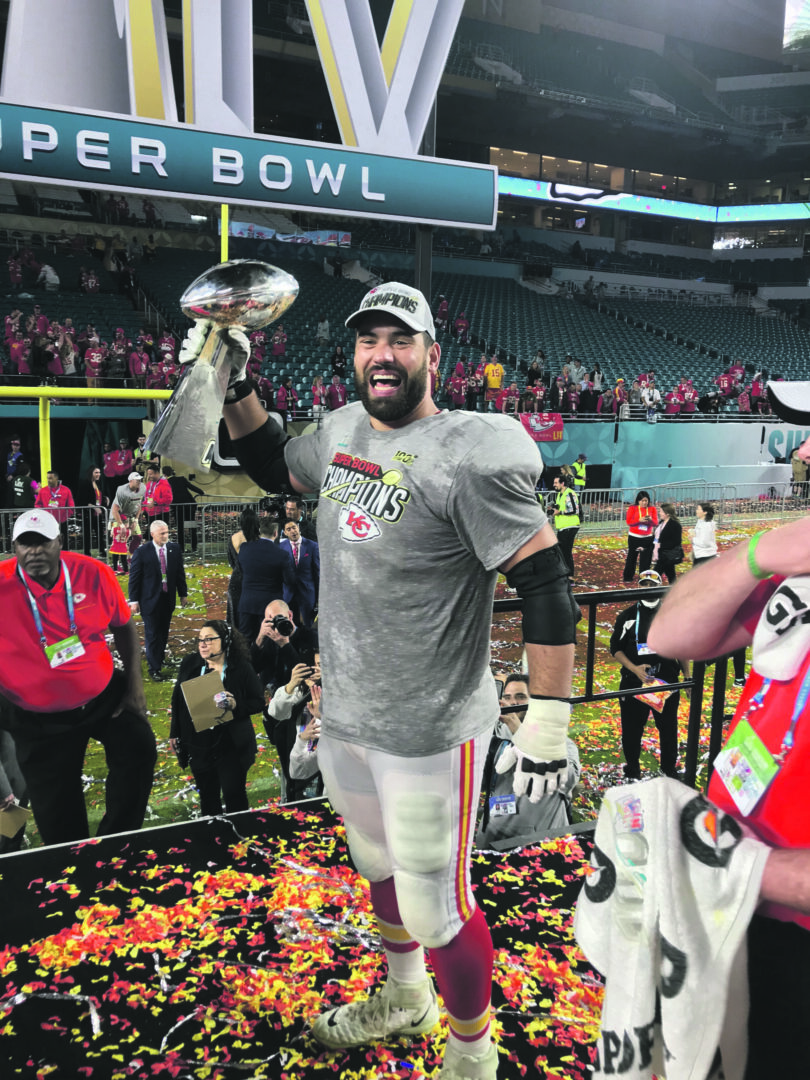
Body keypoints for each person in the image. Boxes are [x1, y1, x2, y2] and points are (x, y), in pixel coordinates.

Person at [180, 278, 578, 1080]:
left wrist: (550, 720)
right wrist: (238, 379)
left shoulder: (472, 449)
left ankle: (473, 1053)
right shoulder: (338, 432)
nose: (382, 355)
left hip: (432, 729)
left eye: (400, 340)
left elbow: (545, 584)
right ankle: (406, 996)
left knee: (439, 906)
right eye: (368, 340)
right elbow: (264, 463)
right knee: (376, 867)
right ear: (354, 354)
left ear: (434, 356)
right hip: (350, 715)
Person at [647, 433, 810, 1076]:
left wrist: (738, 865)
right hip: (736, 908)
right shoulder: (801, 567)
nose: (805, 453)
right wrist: (764, 552)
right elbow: (671, 632)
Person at [0, 508, 155, 845]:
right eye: (25, 544)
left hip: (100, 698)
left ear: (60, 542)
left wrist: (134, 684)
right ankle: (77, 865)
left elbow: (124, 624)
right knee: (58, 817)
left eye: (43, 543)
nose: (34, 552)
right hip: (36, 719)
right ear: (13, 548)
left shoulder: (93, 573)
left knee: (139, 746)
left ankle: (117, 841)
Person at [170, 620, 264, 817]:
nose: (203, 644)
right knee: (208, 796)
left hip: (231, 745)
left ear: (226, 641)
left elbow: (258, 702)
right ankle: (212, 837)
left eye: (209, 639)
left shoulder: (241, 668)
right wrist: (175, 733)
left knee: (234, 794)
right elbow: (178, 700)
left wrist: (236, 705)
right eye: (200, 640)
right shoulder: (191, 663)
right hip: (199, 744)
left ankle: (239, 838)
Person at [476, 674, 580, 850]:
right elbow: (478, 782)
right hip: (495, 833)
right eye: (507, 697)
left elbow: (567, 778)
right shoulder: (495, 736)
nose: (513, 702)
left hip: (541, 839)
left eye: (521, 696)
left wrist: (520, 732)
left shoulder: (558, 741)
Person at [610, 568, 689, 780]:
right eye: (643, 584)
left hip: (666, 680)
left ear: (659, 587)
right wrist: (634, 668)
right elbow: (615, 648)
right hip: (634, 681)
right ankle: (633, 768)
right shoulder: (627, 616)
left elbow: (681, 648)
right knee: (632, 730)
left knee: (668, 728)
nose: (647, 589)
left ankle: (669, 769)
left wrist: (687, 678)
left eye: (652, 585)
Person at [127, 519, 188, 680]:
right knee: (153, 633)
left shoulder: (174, 549)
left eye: (167, 532)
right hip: (149, 599)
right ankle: (154, 668)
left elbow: (179, 573)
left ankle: (159, 659)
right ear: (153, 534)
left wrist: (183, 594)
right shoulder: (142, 552)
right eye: (162, 533)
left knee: (163, 631)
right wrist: (133, 601)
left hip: (167, 598)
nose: (166, 536)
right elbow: (134, 578)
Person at [264, 646, 323, 802]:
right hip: (299, 757)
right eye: (313, 665)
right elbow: (275, 712)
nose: (315, 671)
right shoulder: (298, 692)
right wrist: (291, 685)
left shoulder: (340, 693)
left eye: (321, 666)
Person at [236, 518, 296, 642]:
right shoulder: (281, 555)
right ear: (276, 533)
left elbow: (241, 571)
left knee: (245, 642)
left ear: (259, 531)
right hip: (271, 607)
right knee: (269, 642)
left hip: (247, 603)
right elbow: (290, 581)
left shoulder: (245, 548)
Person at [280, 518, 320, 629]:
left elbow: (317, 572)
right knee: (290, 627)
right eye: (289, 529)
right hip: (288, 595)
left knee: (308, 627)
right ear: (285, 532)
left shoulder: (312, 546)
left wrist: (318, 597)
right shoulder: (280, 548)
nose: (293, 531)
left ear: (299, 528)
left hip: (307, 593)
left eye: (294, 527)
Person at [227, 505, 260, 627]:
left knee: (236, 618)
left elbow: (231, 560)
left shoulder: (233, 537)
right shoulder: (259, 539)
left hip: (237, 581)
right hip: (254, 582)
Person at [161, 465, 204, 552]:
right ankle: (194, 547)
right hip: (189, 505)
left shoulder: (166, 483)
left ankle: (182, 548)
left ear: (164, 474)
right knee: (192, 526)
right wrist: (201, 492)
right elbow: (192, 487)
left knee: (180, 528)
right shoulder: (181, 479)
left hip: (178, 507)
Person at [548, 474, 580, 579]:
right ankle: (566, 575)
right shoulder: (560, 494)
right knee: (562, 551)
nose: (554, 485)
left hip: (570, 526)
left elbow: (575, 510)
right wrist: (553, 508)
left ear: (562, 483)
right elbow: (561, 507)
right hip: (563, 526)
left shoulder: (569, 493)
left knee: (565, 552)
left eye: (556, 483)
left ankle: (569, 576)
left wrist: (559, 512)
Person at [623, 490, 658, 583]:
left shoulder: (652, 509)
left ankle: (644, 577)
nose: (644, 503)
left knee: (646, 559)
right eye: (642, 501)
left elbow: (655, 523)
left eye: (646, 501)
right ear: (638, 501)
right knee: (632, 557)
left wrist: (650, 520)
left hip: (647, 537)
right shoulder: (632, 508)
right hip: (634, 537)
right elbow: (629, 522)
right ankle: (628, 577)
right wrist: (639, 520)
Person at [34, 469, 75, 548]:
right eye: (48, 478)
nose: (48, 480)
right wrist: (43, 515)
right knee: (48, 541)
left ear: (56, 478)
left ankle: (64, 556)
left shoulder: (66, 490)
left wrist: (65, 517)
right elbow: (37, 505)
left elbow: (71, 506)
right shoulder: (43, 491)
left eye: (50, 478)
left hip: (62, 521)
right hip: (48, 521)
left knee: (63, 541)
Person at [111, 471, 146, 552]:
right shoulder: (122, 491)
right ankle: (116, 562)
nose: (139, 482)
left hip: (132, 516)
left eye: (140, 480)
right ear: (130, 481)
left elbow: (140, 504)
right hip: (120, 516)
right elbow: (115, 510)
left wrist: (136, 520)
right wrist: (121, 524)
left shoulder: (142, 489)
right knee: (120, 540)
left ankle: (131, 556)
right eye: (137, 480)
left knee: (138, 537)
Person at [79, 465, 109, 559]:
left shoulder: (98, 484)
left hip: (97, 514)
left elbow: (97, 497)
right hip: (88, 514)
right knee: (87, 534)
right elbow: (82, 500)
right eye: (96, 472)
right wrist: (93, 507)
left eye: (99, 472)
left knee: (100, 533)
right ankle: (87, 553)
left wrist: (105, 498)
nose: (98, 474)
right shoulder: (85, 484)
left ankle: (102, 552)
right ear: (91, 473)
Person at [652, 502, 683, 585]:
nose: (660, 513)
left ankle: (649, 594)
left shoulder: (675, 525)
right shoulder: (661, 523)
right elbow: (657, 537)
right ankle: (674, 592)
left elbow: (676, 541)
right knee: (671, 575)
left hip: (666, 554)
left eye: (661, 511)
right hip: (661, 553)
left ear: (667, 513)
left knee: (654, 575)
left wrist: (662, 546)